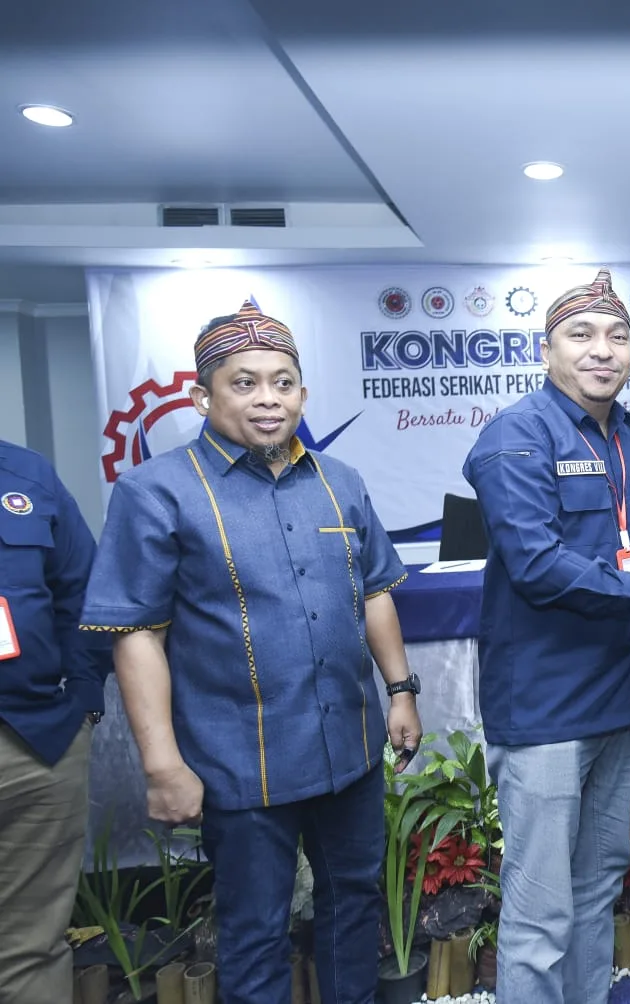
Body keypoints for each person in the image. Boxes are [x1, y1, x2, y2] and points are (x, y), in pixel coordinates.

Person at [82, 301, 420, 1004]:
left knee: (353, 906)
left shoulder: (340, 481)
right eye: (245, 382)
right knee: (255, 932)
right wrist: (162, 765)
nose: (269, 398)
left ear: (303, 394)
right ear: (201, 397)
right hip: (240, 764)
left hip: (350, 750)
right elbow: (137, 635)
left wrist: (401, 691)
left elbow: (376, 591)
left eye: (283, 382)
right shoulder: (156, 492)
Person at [462, 268, 630, 1004]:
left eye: (618, 335)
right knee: (541, 908)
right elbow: (538, 565)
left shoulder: (624, 434)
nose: (602, 350)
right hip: (546, 710)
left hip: (617, 700)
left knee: (596, 888)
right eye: (580, 334)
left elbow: (626, 542)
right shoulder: (516, 435)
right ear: (545, 350)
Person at [0, 441, 110, 1001]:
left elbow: (83, 593)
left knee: (31, 948)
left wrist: (83, 701)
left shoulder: (28, 476)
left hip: (36, 743)